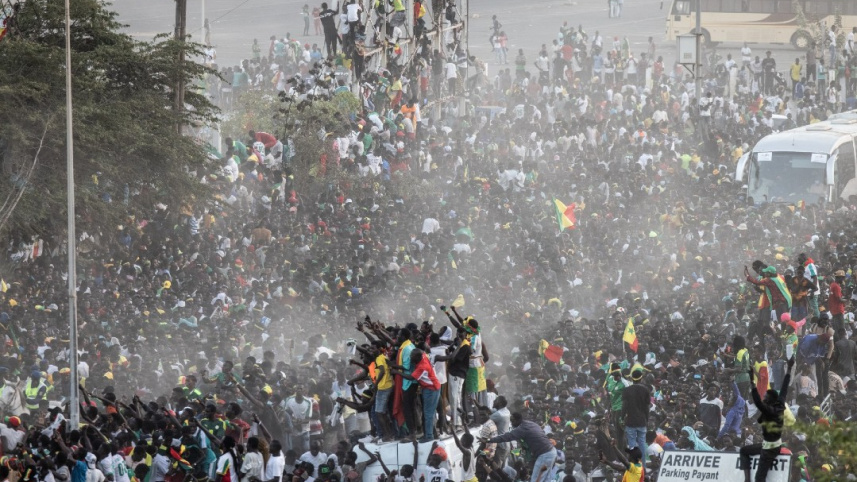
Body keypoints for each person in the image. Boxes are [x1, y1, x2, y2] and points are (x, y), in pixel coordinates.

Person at [739, 356, 794, 482]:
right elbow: (784, 388)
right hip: (772, 445)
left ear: (769, 400)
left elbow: (757, 400)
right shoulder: (779, 403)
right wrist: (789, 368)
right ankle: (747, 480)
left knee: (760, 478)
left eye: (765, 397)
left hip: (769, 449)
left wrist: (752, 381)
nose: (764, 398)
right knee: (744, 451)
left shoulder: (769, 411)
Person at [484, 412, 556, 482]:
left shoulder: (522, 429)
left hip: (545, 454)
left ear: (517, 420)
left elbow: (507, 437)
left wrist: (489, 440)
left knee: (536, 479)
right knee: (545, 479)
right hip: (551, 452)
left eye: (512, 421)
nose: (511, 423)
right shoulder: (531, 423)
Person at [621, 369, 650, 452]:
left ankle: (634, 463)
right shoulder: (645, 390)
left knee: (632, 443)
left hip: (630, 421)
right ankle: (643, 464)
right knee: (642, 443)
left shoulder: (626, 390)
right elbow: (646, 408)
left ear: (632, 378)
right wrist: (646, 420)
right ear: (641, 379)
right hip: (642, 421)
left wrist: (622, 418)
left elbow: (624, 406)